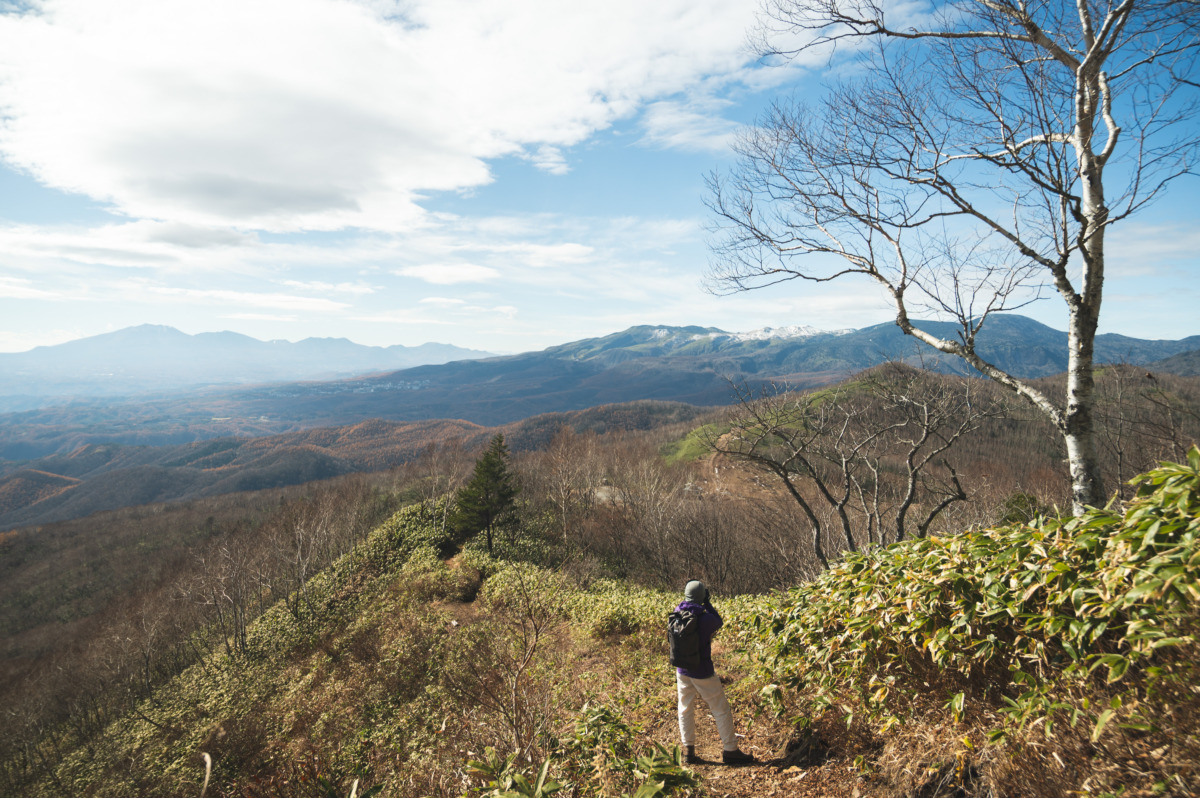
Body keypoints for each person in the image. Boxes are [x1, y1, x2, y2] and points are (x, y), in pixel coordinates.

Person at [673, 579, 753, 766]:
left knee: (685, 709)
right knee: (720, 709)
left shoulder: (678, 612)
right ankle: (730, 750)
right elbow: (718, 620)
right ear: (702, 596)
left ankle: (688, 752)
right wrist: (707, 603)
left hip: (682, 669)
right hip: (702, 671)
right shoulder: (705, 618)